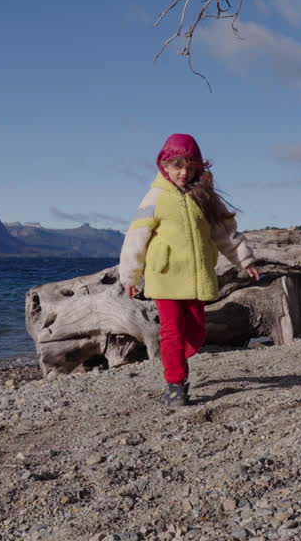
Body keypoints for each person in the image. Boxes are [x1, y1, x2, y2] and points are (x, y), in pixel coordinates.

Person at [118, 133, 260, 406]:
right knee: (171, 333)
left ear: (198, 167)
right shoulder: (155, 197)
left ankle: (175, 361)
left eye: (189, 166)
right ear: (164, 165)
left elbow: (225, 234)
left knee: (196, 333)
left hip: (196, 278)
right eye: (177, 166)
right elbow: (136, 237)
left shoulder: (205, 196)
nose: (183, 172)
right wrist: (130, 275)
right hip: (165, 275)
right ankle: (176, 385)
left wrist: (244, 260)